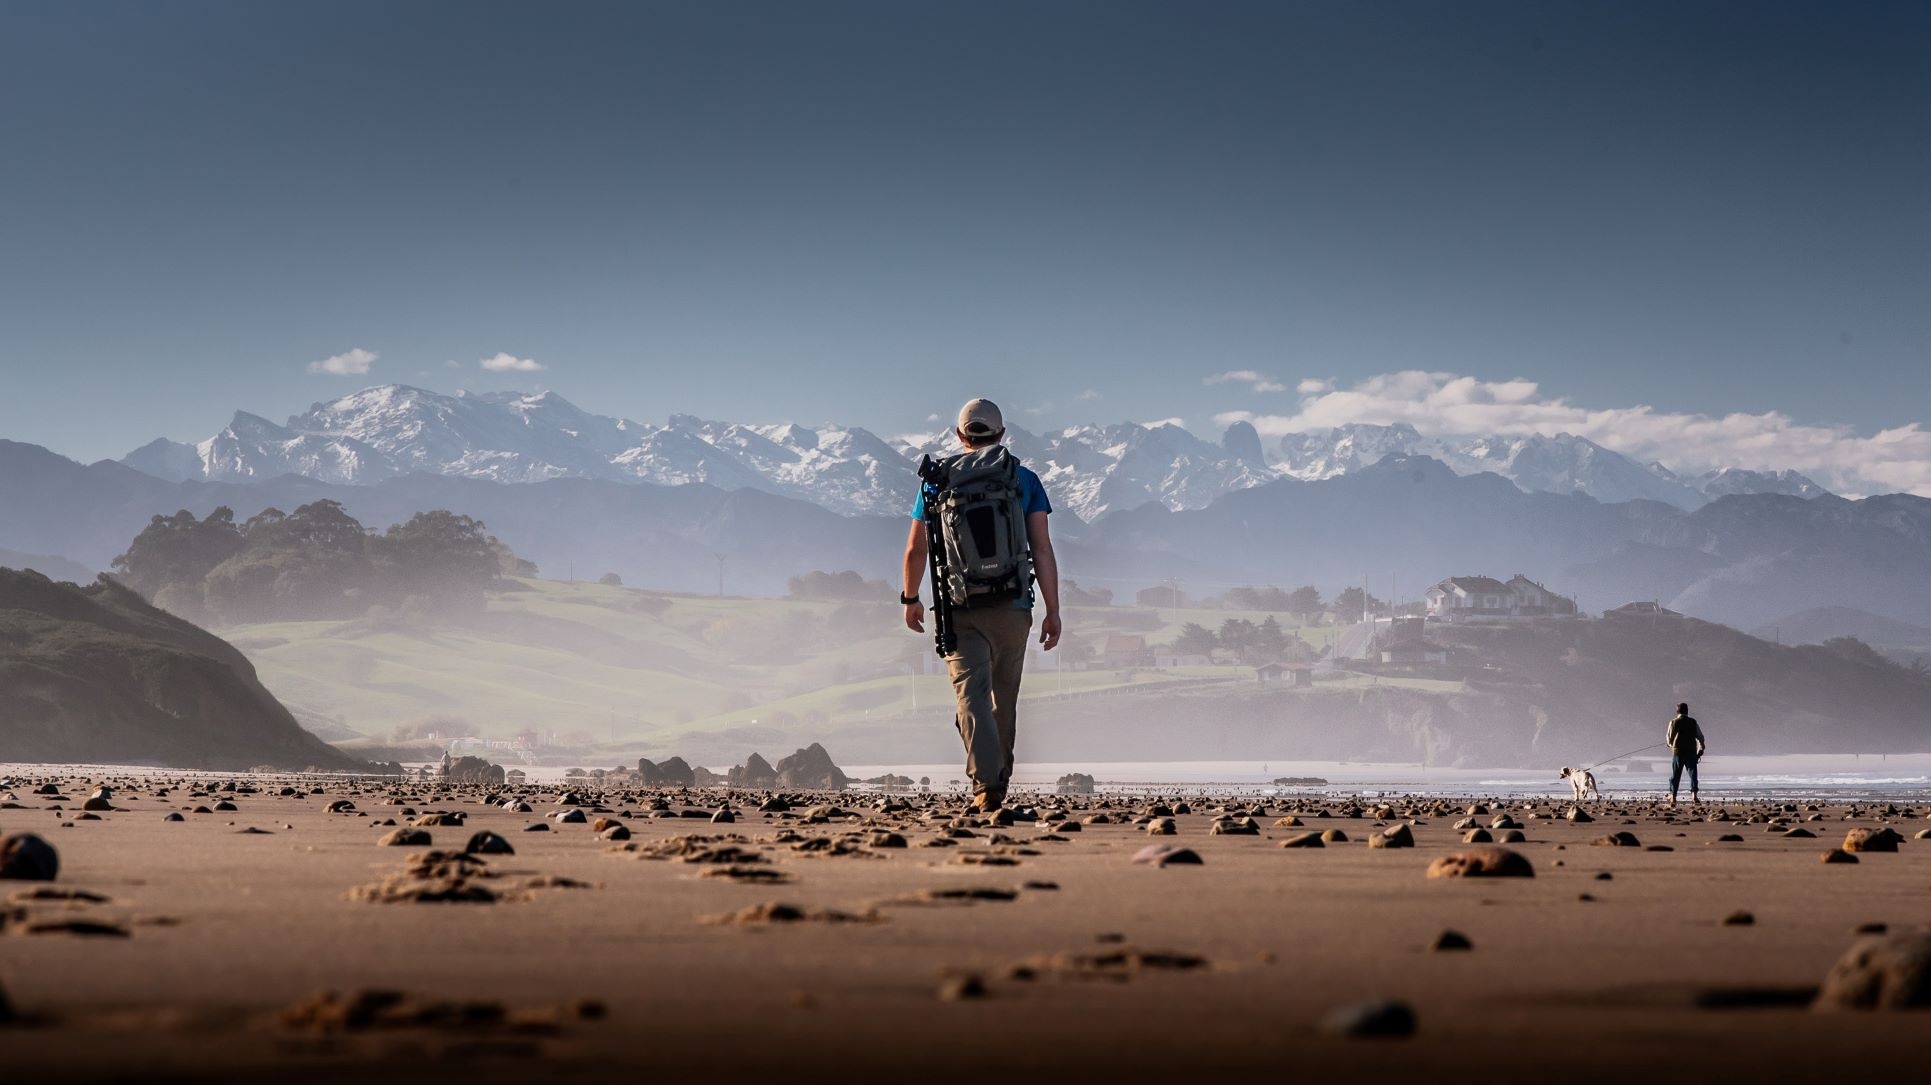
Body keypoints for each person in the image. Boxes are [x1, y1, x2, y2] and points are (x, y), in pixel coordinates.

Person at [901, 398, 1061, 812]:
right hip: (1013, 606)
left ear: (959, 436)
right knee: (1003, 699)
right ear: (1001, 434)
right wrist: (1053, 610)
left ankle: (985, 784)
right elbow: (1042, 550)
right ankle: (997, 783)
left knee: (970, 698)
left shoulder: (936, 482)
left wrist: (911, 598)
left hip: (959, 608)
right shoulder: (1023, 479)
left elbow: (915, 550)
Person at [1666, 702, 1705, 804]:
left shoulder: (1673, 722)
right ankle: (1694, 796)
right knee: (1693, 774)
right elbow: (1700, 736)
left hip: (1677, 751)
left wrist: (1670, 745)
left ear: (1677, 711)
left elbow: (1669, 738)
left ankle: (1673, 797)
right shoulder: (1693, 722)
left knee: (1676, 774)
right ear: (1687, 711)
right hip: (1691, 751)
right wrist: (1701, 747)